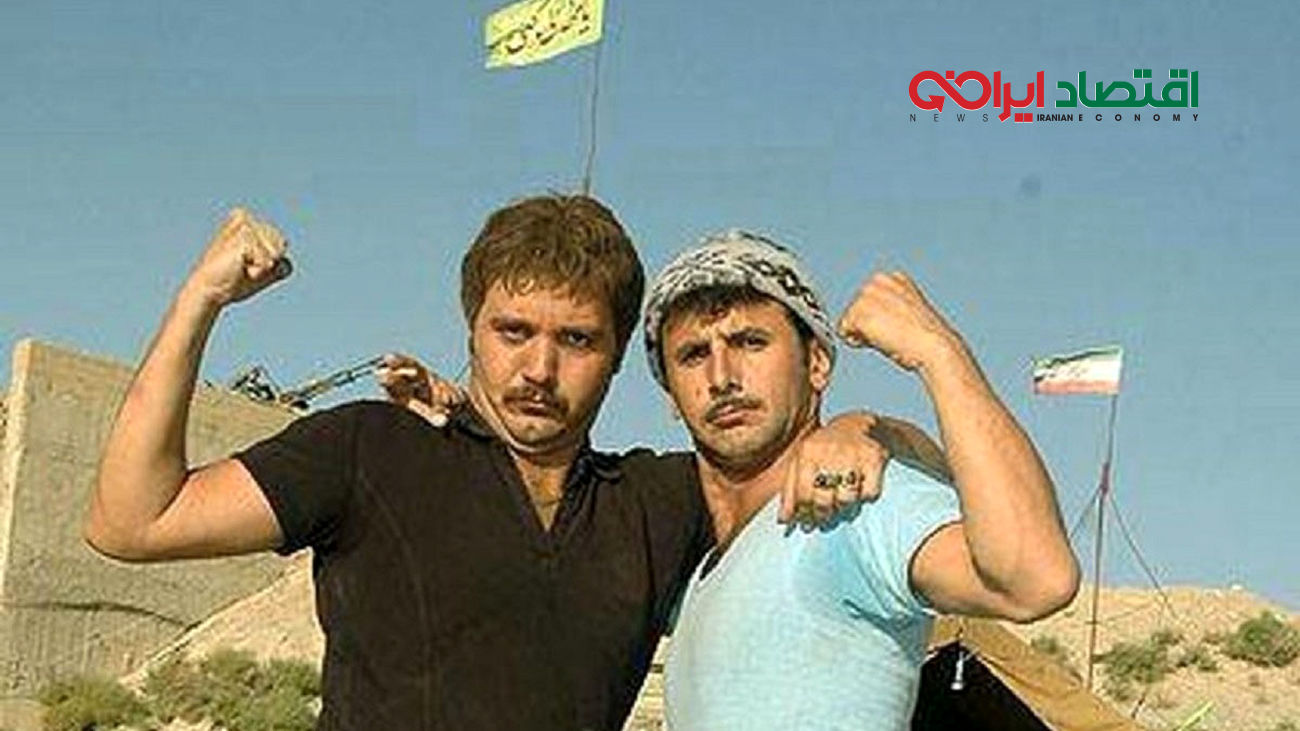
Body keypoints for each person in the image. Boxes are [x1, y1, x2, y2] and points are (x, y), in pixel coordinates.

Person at [84, 198, 915, 730]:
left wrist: (861, 426)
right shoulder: (369, 448)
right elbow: (131, 522)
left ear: (620, 358)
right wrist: (200, 300)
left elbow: (810, 462)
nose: (539, 369)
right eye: (513, 331)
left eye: (576, 339)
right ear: (472, 329)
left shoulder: (658, 500)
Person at [634, 230, 1080, 730]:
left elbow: (1036, 581)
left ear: (817, 364)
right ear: (671, 397)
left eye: (751, 342)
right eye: (694, 354)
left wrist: (940, 353)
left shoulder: (852, 505)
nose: (722, 377)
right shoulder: (700, 573)